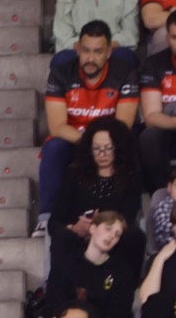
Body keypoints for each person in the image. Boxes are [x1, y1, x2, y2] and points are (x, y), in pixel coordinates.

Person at [40, 22, 140, 223]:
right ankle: (46, 217)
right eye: (86, 51)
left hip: (111, 143)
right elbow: (57, 126)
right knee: (53, 148)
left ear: (109, 52)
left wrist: (100, 145)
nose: (91, 58)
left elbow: (122, 127)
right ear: (78, 48)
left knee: (133, 141)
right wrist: (90, 143)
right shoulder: (60, 73)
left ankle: (129, 216)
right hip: (75, 140)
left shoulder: (125, 73)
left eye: (98, 51)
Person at [49, 119, 145, 281]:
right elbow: (54, 223)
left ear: (118, 149)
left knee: (135, 236)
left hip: (113, 240)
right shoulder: (74, 174)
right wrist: (74, 228)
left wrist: (103, 229)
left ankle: (125, 286)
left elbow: (128, 218)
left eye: (108, 149)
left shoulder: (130, 176)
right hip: (79, 240)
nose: (102, 154)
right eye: (96, 149)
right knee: (62, 237)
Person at [42, 211, 138, 318]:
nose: (111, 236)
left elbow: (119, 314)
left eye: (117, 235)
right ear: (93, 228)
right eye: (108, 229)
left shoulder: (121, 271)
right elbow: (51, 306)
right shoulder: (66, 263)